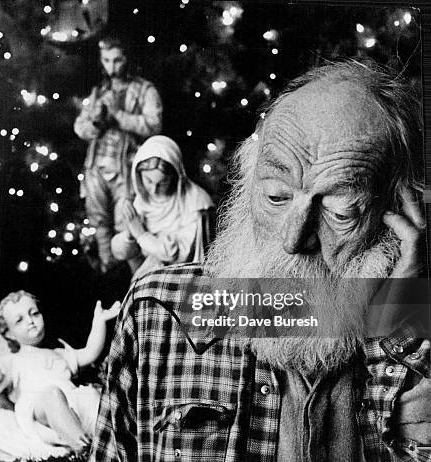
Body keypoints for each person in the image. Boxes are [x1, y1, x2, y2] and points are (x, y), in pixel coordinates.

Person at [91, 61, 429, 461]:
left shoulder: (420, 325)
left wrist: (403, 323)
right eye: (275, 196)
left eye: (340, 212)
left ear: (401, 214)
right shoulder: (157, 312)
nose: (292, 239)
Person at [0, 291, 120, 459]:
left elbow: (89, 353)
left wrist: (100, 322)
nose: (30, 321)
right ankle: (86, 452)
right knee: (52, 395)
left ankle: (117, 444)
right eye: (19, 320)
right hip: (41, 409)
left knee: (93, 398)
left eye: (34, 313)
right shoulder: (14, 361)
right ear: (8, 333)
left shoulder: (58, 353)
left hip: (74, 400)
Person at [74, 34, 163, 272]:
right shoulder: (98, 91)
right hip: (96, 167)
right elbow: (80, 126)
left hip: (126, 168)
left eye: (117, 60)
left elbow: (154, 124)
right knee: (99, 222)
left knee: (127, 224)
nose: (111, 67)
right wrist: (95, 122)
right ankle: (108, 272)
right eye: (106, 60)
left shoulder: (144, 90)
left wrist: (119, 116)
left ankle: (140, 279)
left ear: (127, 59)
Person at [111, 135, 213, 280]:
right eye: (148, 180)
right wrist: (129, 235)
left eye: (162, 182)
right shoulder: (142, 201)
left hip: (184, 277)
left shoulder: (196, 203)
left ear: (176, 176)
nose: (153, 190)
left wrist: (141, 234)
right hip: (150, 272)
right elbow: (123, 253)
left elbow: (179, 255)